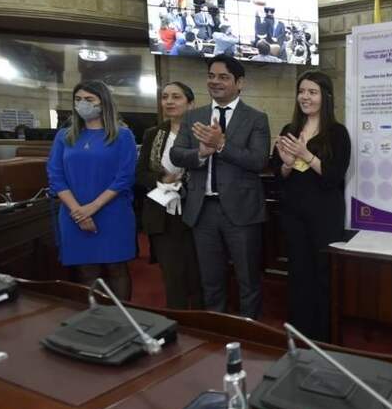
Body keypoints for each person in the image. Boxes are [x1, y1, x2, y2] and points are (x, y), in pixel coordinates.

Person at [170, 55, 270, 319]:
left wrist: (222, 145)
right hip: (203, 211)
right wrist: (201, 153)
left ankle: (250, 334)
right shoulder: (194, 117)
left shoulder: (256, 119)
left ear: (240, 83)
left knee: (248, 279)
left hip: (242, 213)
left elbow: (258, 161)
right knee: (210, 279)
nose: (215, 82)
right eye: (211, 76)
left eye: (223, 77)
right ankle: (216, 336)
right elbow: (177, 155)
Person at [271, 71, 350, 342]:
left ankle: (324, 337)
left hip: (325, 215)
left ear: (325, 97)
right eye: (302, 91)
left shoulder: (337, 133)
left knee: (323, 275)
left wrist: (306, 155)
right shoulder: (288, 131)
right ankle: (299, 335)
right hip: (294, 214)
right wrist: (287, 164)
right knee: (298, 274)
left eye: (312, 92)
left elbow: (334, 176)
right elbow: (278, 175)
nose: (305, 97)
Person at [47, 81, 137, 299]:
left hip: (112, 211)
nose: (82, 104)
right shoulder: (64, 136)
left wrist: (92, 208)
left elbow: (124, 177)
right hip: (72, 212)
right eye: (78, 100)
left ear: (103, 102)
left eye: (89, 100)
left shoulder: (123, 135)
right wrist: (79, 211)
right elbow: (55, 176)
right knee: (86, 270)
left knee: (116, 268)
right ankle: (95, 322)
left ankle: (125, 321)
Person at [136, 81, 202, 310]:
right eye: (165, 97)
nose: (169, 102)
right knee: (172, 275)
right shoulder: (153, 134)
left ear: (190, 103)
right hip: (161, 212)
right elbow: (140, 173)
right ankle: (179, 324)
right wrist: (161, 180)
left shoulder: (201, 133)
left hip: (195, 212)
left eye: (176, 97)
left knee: (197, 274)